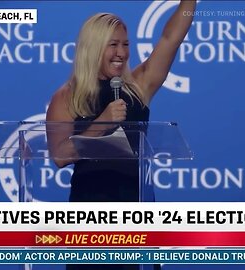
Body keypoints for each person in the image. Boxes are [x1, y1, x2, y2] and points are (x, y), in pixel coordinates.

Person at [46, 1, 195, 268]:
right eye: (113, 44)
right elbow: (59, 155)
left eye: (126, 44)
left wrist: (189, 2)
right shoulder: (66, 97)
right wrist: (101, 124)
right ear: (93, 48)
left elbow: (171, 38)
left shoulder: (139, 86)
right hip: (87, 219)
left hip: (133, 215)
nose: (121, 53)